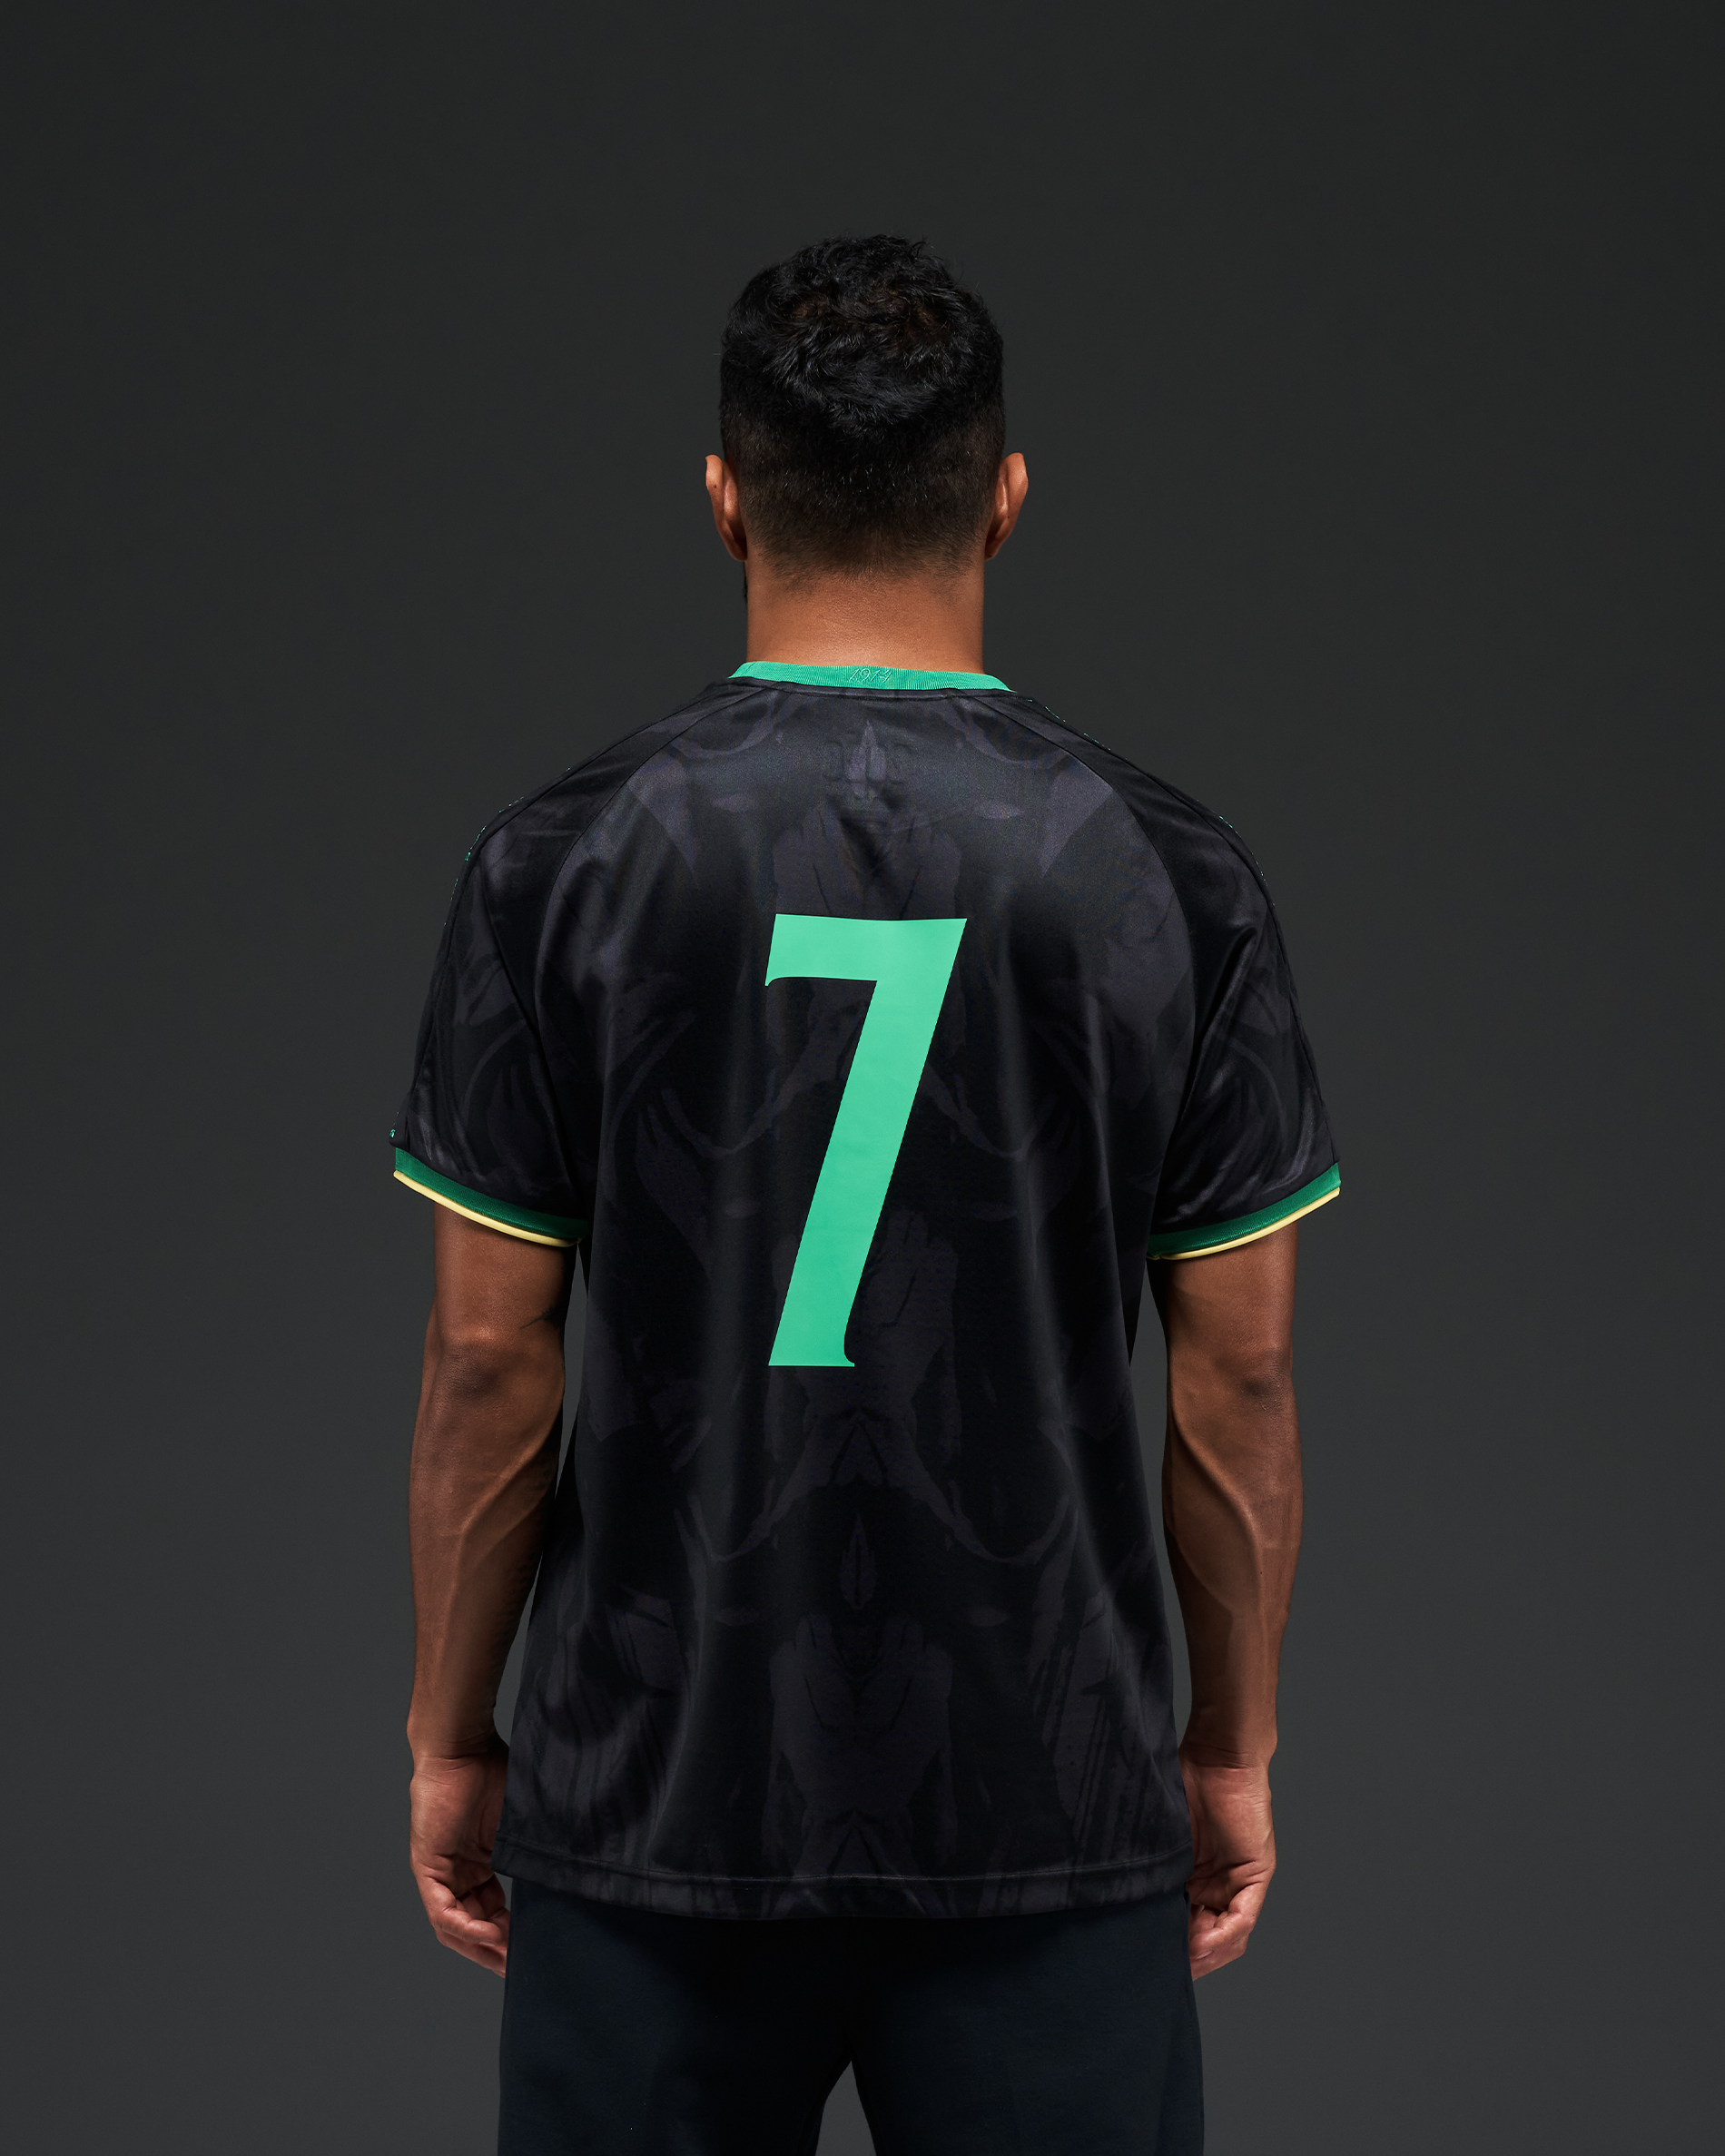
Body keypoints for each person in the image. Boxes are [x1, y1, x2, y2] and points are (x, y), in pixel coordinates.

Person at [393, 234, 1338, 2156]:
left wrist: (449, 1729)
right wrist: (1227, 1742)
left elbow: (490, 1363)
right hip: (1047, 1803)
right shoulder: (1171, 873)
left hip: (652, 1802)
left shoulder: (557, 860)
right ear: (1005, 499)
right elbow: (1234, 1382)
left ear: (722, 500)